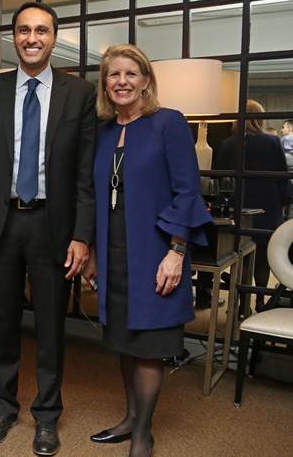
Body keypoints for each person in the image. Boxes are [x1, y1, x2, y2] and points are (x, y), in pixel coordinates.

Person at [0, 2, 96, 456]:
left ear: (53, 38)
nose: (31, 38)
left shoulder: (79, 94)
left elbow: (86, 174)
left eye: (41, 31)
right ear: (13, 37)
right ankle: (4, 406)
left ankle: (47, 415)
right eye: (23, 30)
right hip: (1, 223)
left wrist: (82, 235)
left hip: (53, 225)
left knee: (49, 327)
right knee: (0, 321)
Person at [83, 44, 211, 457]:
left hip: (154, 250)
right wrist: (94, 254)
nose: (121, 82)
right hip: (114, 249)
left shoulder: (168, 123)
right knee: (124, 340)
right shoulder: (102, 132)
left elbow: (188, 192)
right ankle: (130, 417)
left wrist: (177, 251)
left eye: (130, 74)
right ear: (105, 83)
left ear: (145, 81)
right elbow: (97, 195)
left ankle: (143, 434)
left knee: (150, 345)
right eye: (113, 74)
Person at [213, 100, 290, 299]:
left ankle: (239, 301)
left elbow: (219, 180)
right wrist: (286, 200)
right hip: (267, 206)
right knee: (262, 258)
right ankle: (259, 299)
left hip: (237, 207)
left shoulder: (227, 144)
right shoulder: (272, 142)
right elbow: (282, 177)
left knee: (240, 254)